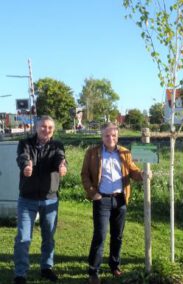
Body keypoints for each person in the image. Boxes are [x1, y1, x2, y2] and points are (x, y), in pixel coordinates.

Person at [81, 122, 148, 284]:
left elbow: (133, 171)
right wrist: (93, 193)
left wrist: (143, 174)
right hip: (101, 199)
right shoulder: (92, 153)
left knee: (117, 236)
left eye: (114, 136)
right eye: (107, 135)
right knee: (100, 235)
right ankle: (93, 270)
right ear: (102, 136)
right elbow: (85, 175)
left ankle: (114, 265)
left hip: (120, 199)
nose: (111, 138)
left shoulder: (125, 153)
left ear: (117, 136)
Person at [13, 115, 67, 284]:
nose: (46, 130)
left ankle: (46, 268)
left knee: (48, 236)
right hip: (27, 199)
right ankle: (20, 273)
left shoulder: (57, 145)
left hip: (50, 199)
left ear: (53, 130)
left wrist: (62, 166)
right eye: (43, 126)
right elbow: (23, 157)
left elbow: (60, 157)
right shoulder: (25, 143)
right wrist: (27, 166)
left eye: (50, 127)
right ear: (36, 128)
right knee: (23, 237)